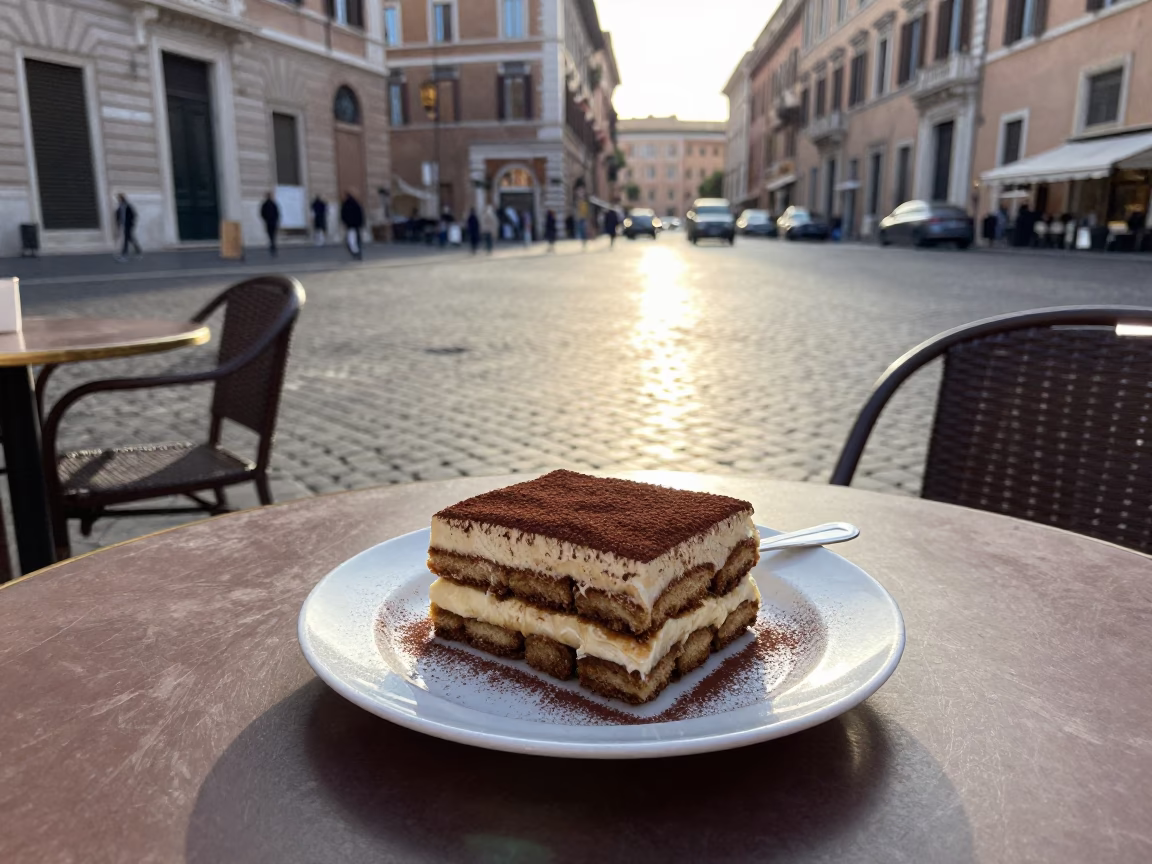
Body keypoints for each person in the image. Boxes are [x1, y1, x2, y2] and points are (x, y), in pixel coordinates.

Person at [114, 193, 141, 262]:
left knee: (126, 240)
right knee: (130, 239)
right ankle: (138, 251)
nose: (118, 199)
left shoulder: (128, 206)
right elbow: (118, 216)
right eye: (118, 198)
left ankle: (124, 255)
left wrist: (131, 223)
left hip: (128, 225)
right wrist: (118, 225)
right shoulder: (120, 206)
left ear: (122, 198)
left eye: (119, 198)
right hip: (123, 225)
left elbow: (133, 215)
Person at [341, 189, 365, 260]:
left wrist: (345, 222)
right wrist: (361, 223)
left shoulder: (345, 204)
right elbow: (361, 214)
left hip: (350, 225)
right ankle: (357, 252)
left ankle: (355, 252)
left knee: (351, 240)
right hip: (356, 225)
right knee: (356, 239)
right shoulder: (356, 203)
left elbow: (343, 215)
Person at [260, 191, 280, 257]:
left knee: (271, 233)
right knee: (272, 233)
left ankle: (272, 244)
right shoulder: (272, 204)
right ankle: (273, 244)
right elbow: (277, 212)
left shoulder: (266, 204)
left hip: (269, 221)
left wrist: (265, 219)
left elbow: (262, 213)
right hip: (271, 221)